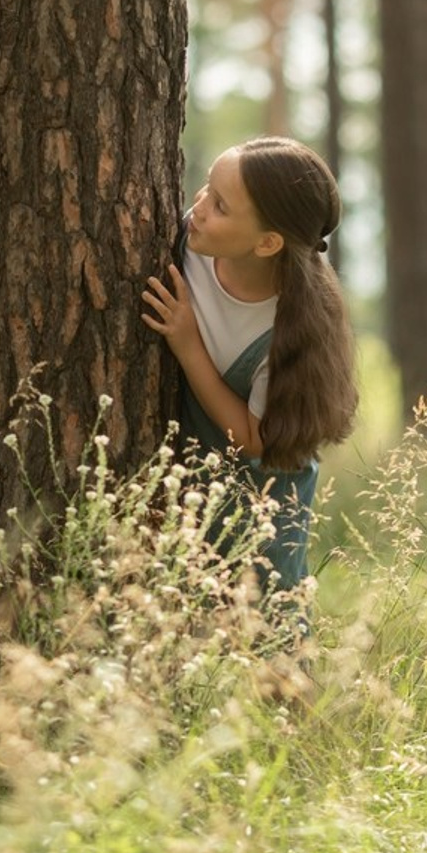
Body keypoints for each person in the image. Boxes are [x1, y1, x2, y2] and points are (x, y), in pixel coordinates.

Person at [141, 136, 358, 634]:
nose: (197, 207)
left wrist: (189, 345)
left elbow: (258, 441)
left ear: (266, 243)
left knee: (264, 638)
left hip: (262, 499)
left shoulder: (288, 327)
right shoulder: (192, 243)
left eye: (220, 205)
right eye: (205, 189)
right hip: (194, 482)